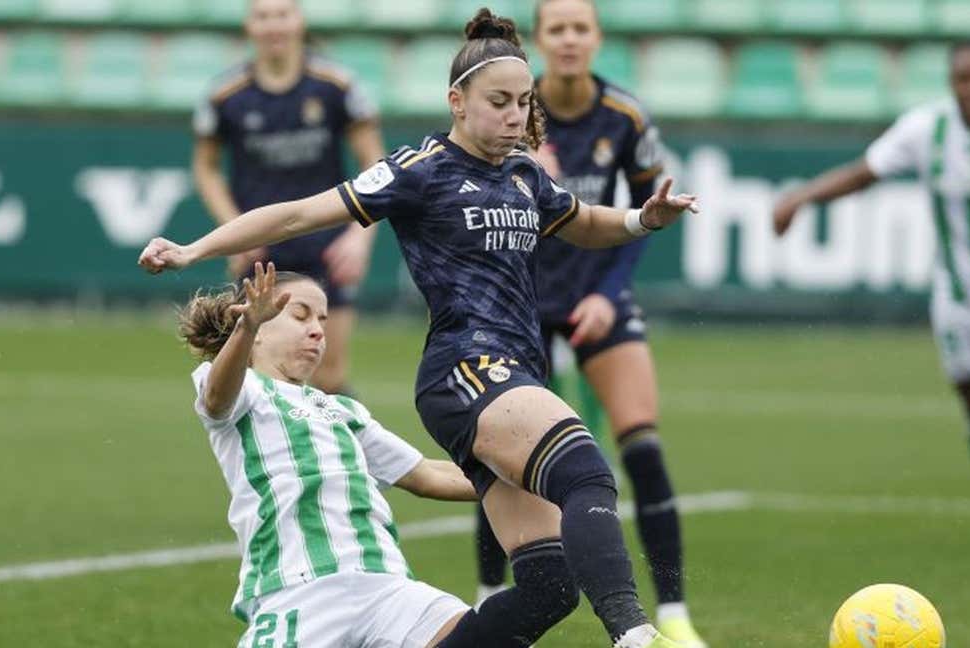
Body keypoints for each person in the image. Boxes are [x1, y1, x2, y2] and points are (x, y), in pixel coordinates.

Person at [142, 9, 698, 647]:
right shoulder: (418, 169)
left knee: (549, 587)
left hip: (511, 374)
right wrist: (193, 250)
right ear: (457, 101)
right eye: (499, 102)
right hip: (465, 370)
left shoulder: (524, 175)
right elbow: (299, 214)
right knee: (587, 471)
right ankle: (635, 634)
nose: (516, 116)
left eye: (523, 102)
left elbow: (583, 220)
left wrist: (641, 221)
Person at [773, 41, 970, 549]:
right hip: (958, 290)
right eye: (965, 79)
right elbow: (862, 174)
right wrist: (801, 198)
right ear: (952, 82)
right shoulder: (925, 129)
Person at [472, 2, 705, 646]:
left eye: (581, 28)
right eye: (558, 29)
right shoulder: (511, 109)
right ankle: (489, 595)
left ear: (597, 39)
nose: (570, 39)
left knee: (643, 446)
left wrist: (608, 293)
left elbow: (646, 212)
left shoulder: (624, 117)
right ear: (541, 41)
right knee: (500, 456)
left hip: (597, 297)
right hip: (519, 303)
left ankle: (677, 615)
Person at [182, 263, 475, 647]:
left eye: (322, 318)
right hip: (298, 592)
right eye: (300, 315)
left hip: (384, 585)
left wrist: (542, 479)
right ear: (258, 329)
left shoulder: (343, 410)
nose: (319, 330)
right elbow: (218, 399)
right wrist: (245, 327)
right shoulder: (244, 391)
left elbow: (426, 475)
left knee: (482, 636)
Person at [192, 0, 385, 394]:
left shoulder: (336, 86)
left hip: (326, 246)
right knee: (256, 374)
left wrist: (359, 236)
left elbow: (375, 165)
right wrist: (233, 231)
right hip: (260, 251)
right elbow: (206, 168)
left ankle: (345, 454)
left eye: (282, 14)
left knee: (328, 376)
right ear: (250, 26)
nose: (273, 25)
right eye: (263, 16)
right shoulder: (226, 95)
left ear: (299, 20)